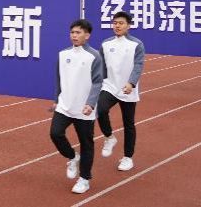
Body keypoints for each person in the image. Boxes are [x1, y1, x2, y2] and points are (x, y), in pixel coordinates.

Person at [50, 19, 103, 195]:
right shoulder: (62, 54)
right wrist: (56, 99)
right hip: (64, 105)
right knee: (55, 133)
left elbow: (97, 82)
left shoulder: (94, 56)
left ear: (87, 35)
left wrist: (90, 103)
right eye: (72, 32)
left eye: (78, 32)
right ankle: (73, 157)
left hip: (84, 109)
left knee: (86, 143)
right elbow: (59, 79)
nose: (74, 35)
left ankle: (84, 179)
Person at [97, 11, 145, 173]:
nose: (117, 26)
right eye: (115, 23)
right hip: (109, 86)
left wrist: (131, 83)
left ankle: (128, 157)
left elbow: (138, 65)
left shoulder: (136, 44)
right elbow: (101, 66)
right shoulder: (106, 44)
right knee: (100, 109)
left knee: (128, 123)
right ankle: (109, 137)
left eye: (121, 23)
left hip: (127, 88)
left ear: (128, 25)